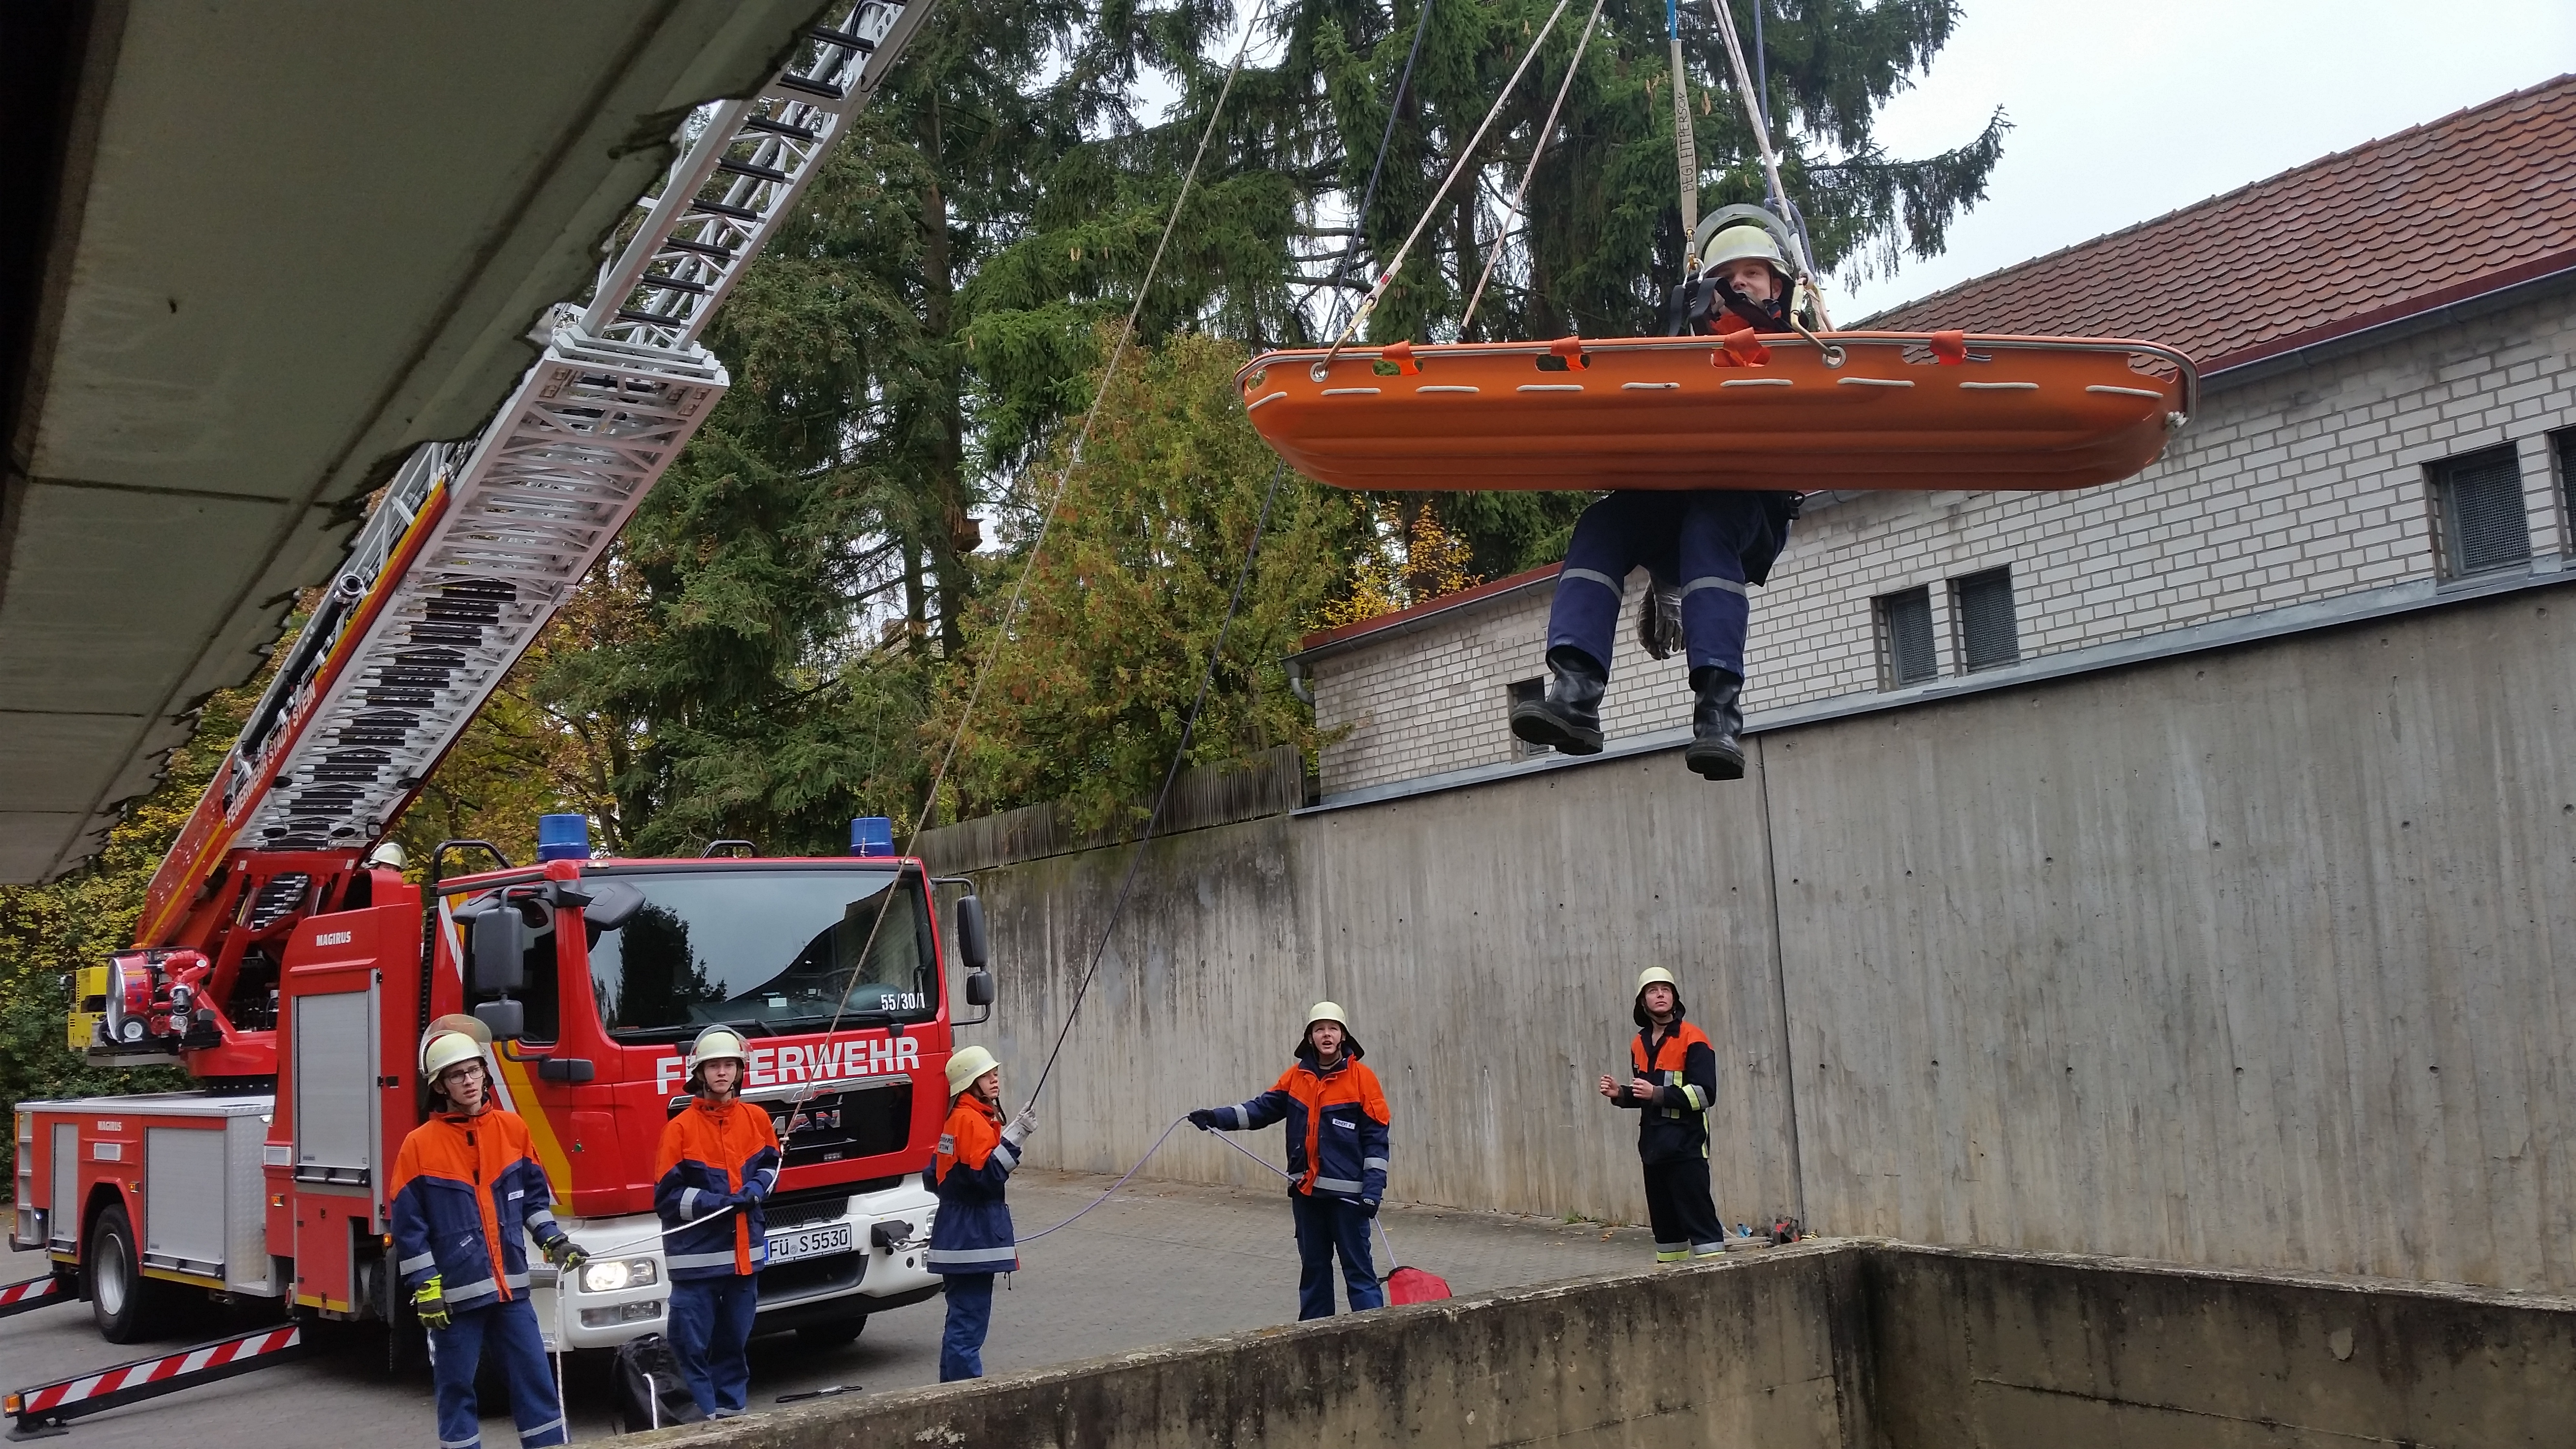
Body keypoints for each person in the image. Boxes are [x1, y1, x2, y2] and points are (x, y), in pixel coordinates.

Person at [1509, 223, 1806, 782]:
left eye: (1752, 275)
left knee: (1706, 528)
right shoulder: (1683, 349)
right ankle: (1575, 691)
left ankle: (1717, 713)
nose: (1738, 285)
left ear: (1776, 288)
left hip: (1746, 513)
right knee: (1603, 523)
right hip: (1676, 501)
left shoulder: (1797, 346)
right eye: (1726, 278)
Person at [390, 1028, 586, 1449]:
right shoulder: (418, 1146)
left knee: (536, 1383)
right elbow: (409, 1228)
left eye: (474, 1070)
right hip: (456, 1299)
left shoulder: (513, 1129)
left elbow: (532, 1201)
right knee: (457, 1389)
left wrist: (555, 1241)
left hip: (511, 1291)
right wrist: (427, 1287)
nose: (468, 1081)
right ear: (440, 1086)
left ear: (485, 1073)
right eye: (456, 1075)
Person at [1189, 1002, 1391, 1320]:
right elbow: (1260, 1110)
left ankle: (1376, 1339)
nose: (1326, 1034)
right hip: (1307, 1195)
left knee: (1360, 1274)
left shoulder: (1363, 1080)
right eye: (1319, 1029)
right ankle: (1314, 1341)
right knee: (1314, 1273)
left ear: (1343, 1036)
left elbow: (1377, 1139)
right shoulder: (1296, 1078)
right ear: (1310, 1037)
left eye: (1333, 1028)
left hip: (1348, 1199)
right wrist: (1216, 1117)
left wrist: (1373, 1190)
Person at [652, 1026, 781, 1420]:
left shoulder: (756, 1118)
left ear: (740, 1071)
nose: (722, 1073)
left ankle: (731, 1415)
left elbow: (772, 1166)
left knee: (734, 1345)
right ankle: (700, 1423)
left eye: (729, 1065)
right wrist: (718, 1203)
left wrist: (757, 1188)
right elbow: (667, 1200)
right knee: (689, 1348)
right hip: (698, 1264)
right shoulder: (679, 1130)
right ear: (700, 1073)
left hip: (744, 1260)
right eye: (714, 1066)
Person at [1597, 967, 1725, 1263]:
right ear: (1643, 1002)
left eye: (1665, 990)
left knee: (1701, 1226)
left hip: (1687, 1147)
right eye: (1652, 990)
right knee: (1666, 1234)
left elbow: (1706, 1094)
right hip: (1654, 1150)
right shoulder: (1638, 1043)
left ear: (1674, 998)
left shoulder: (1694, 1038)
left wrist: (1657, 1094)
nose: (1660, 995)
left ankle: (1717, 1278)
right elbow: (1648, 1096)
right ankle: (1671, 1283)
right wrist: (1622, 1094)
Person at [926, 1044, 1035, 1381]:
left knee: (961, 1322)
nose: (994, 1079)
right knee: (969, 1328)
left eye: (995, 1073)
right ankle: (963, 1398)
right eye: (986, 1075)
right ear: (968, 1083)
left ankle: (950, 1393)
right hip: (971, 1238)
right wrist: (1015, 1138)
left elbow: (935, 1175)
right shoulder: (971, 1120)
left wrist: (1003, 1137)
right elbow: (985, 1176)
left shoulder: (959, 1119)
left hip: (956, 1234)